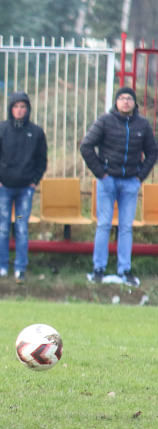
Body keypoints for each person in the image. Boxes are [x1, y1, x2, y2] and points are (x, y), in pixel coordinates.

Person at [80, 86, 157, 286]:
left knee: (125, 228)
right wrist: (101, 173)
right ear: (116, 102)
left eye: (129, 98)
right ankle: (98, 269)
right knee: (104, 225)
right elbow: (86, 146)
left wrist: (140, 177)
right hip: (108, 181)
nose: (125, 102)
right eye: (121, 98)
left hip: (131, 182)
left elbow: (152, 152)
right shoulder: (105, 121)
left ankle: (125, 270)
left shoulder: (143, 125)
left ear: (134, 103)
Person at [0, 92, 47, 284]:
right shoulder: (0, 129)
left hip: (25, 190)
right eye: (16, 106)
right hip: (3, 188)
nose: (20, 110)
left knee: (21, 228)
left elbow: (41, 160)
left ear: (28, 109)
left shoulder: (36, 132)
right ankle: (2, 266)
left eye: (23, 106)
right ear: (11, 108)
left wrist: (34, 180)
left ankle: (20, 268)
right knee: (2, 228)